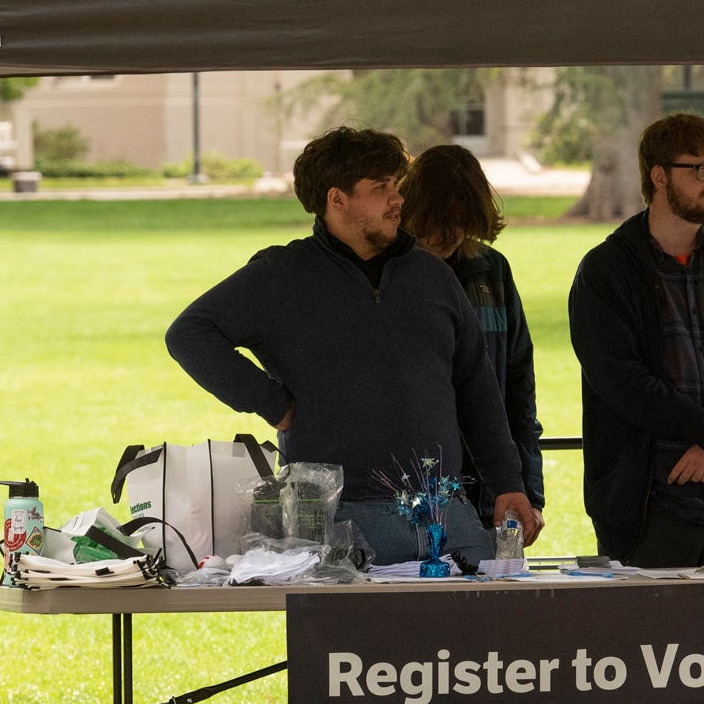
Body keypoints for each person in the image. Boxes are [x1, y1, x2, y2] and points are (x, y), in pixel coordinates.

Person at [167, 127, 535, 563]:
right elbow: (190, 333)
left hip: (446, 517)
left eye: (396, 185)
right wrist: (270, 401)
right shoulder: (280, 275)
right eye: (380, 189)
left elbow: (478, 389)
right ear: (336, 200)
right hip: (337, 520)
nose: (398, 199)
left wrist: (509, 482)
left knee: (483, 628)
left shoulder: (433, 276)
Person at [567, 114, 704, 566]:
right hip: (650, 512)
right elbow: (619, 380)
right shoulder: (606, 272)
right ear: (659, 175)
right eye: (701, 170)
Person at [399, 145, 545, 542]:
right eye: (440, 223)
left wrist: (527, 490)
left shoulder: (492, 272)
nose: (451, 236)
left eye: (463, 224)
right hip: (408, 494)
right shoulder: (390, 277)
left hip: (488, 494)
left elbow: (518, 388)